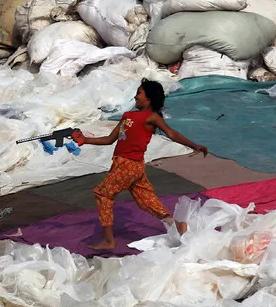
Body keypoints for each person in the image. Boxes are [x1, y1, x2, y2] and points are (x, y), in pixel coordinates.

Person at [74, 79, 208, 252]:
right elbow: (109, 139)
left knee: (103, 194)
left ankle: (109, 240)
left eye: (139, 93)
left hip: (129, 165)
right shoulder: (127, 117)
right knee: (147, 201)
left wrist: (194, 145)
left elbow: (172, 133)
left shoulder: (152, 117)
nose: (135, 96)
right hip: (127, 165)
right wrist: (85, 140)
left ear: (149, 98)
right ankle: (178, 225)